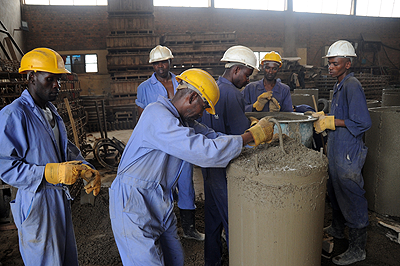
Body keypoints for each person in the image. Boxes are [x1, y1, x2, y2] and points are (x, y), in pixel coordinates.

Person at [109, 68, 274, 266]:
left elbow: (212, 137)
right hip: (133, 200)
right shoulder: (157, 115)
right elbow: (205, 152)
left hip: (158, 198)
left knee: (175, 258)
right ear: (192, 97)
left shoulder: (182, 121)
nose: (202, 114)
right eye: (203, 107)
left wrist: (250, 138)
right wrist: (248, 136)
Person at [0, 47, 101, 266]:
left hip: (58, 199)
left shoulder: (50, 111)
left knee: (65, 259)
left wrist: (84, 166)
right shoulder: (14, 115)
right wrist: (47, 172)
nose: (57, 85)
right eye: (50, 79)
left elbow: (65, 148)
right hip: (36, 201)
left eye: (59, 79)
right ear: (32, 77)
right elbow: (4, 166)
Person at [135, 45, 204, 241]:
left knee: (185, 182)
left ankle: (189, 228)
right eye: (156, 63)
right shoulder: (144, 88)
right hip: (159, 144)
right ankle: (163, 226)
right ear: (152, 65)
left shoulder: (181, 81)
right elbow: (143, 119)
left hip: (182, 139)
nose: (160, 66)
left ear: (170, 62)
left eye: (163, 62)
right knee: (159, 182)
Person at [313, 40, 371, 265]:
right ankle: (337, 228)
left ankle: (358, 249)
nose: (330, 67)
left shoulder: (352, 85)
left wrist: (331, 121)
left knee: (351, 194)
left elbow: (363, 122)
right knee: (335, 188)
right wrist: (325, 116)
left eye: (335, 63)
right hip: (337, 149)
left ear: (348, 64)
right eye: (329, 63)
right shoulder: (339, 85)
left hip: (348, 151)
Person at [199, 45, 258, 266]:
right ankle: (239, 259)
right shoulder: (233, 93)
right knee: (235, 219)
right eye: (246, 75)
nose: (247, 80)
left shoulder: (213, 87)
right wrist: (255, 130)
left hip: (209, 164)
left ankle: (211, 261)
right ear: (235, 70)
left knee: (213, 218)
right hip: (226, 166)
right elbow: (241, 136)